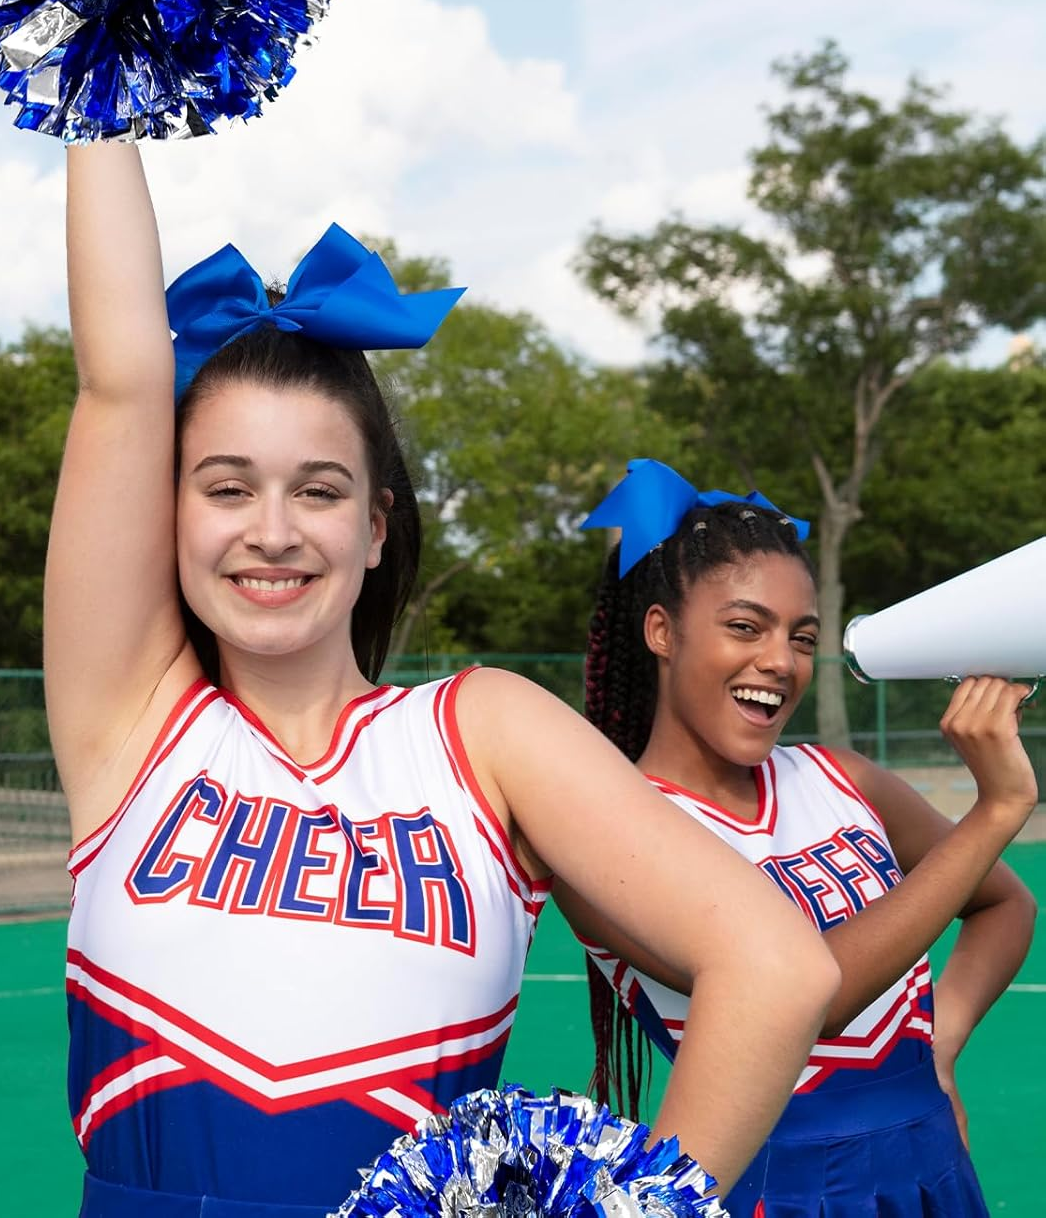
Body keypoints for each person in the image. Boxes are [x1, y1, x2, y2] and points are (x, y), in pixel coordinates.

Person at [44, 144, 839, 1218]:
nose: (272, 532)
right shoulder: (131, 720)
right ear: (170, 513)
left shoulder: (484, 732)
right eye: (227, 488)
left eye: (319, 492)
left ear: (376, 527)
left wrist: (627, 1207)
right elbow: (121, 381)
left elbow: (778, 969)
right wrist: (105, 78)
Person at [566, 458, 1038, 1218]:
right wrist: (995, 811)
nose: (780, 662)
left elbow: (1005, 904)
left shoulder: (841, 778)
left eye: (803, 637)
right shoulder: (605, 831)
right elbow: (811, 992)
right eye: (744, 627)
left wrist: (940, 1047)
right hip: (766, 1189)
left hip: (933, 1169)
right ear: (661, 631)